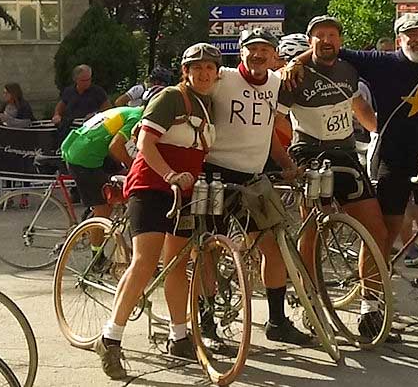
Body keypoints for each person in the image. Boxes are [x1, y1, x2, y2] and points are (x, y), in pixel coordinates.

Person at [287, 12, 418, 323]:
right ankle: (371, 304)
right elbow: (326, 48)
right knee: (382, 233)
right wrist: (295, 62)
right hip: (393, 159)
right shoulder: (381, 62)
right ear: (399, 40)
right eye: (411, 34)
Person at [94, 43, 220, 380]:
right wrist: (169, 175)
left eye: (210, 68)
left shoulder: (209, 105)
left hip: (184, 194)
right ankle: (111, 338)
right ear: (186, 72)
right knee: (144, 262)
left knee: (177, 266)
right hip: (152, 187)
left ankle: (179, 336)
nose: (204, 74)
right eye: (198, 68)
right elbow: (146, 144)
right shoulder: (170, 98)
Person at [278, 15, 390, 341]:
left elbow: (358, 106)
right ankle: (309, 302)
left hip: (345, 156)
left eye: (332, 35)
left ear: (340, 40)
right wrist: (285, 161)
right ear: (310, 40)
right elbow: (278, 123)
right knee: (313, 230)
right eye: (319, 35)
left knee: (376, 230)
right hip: (309, 156)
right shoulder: (294, 76)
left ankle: (370, 307)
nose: (327, 40)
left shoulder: (348, 69)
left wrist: (380, 131)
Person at [203, 28, 312, 346]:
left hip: (252, 177)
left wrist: (288, 166)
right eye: (252, 49)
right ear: (241, 53)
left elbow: (268, 133)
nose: (258, 54)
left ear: (274, 55)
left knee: (273, 247)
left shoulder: (276, 83)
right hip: (215, 175)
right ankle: (205, 324)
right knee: (209, 248)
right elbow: (188, 94)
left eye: (265, 49)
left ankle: (277, 321)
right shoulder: (221, 78)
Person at [61, 105, 141, 260]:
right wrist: (134, 168)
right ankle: (97, 257)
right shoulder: (137, 118)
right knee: (103, 209)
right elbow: (116, 147)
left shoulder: (131, 111)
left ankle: (95, 215)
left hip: (83, 146)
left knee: (118, 182)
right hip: (84, 157)